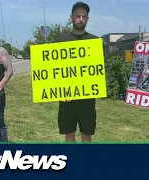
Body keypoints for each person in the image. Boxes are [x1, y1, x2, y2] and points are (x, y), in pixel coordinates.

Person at [56, 2, 99, 142]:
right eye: (78, 16)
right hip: (67, 98)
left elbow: (97, 70)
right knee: (69, 134)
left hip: (87, 100)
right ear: (71, 17)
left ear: (87, 18)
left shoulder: (94, 41)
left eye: (84, 16)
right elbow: (55, 70)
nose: (81, 19)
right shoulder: (61, 41)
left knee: (86, 134)